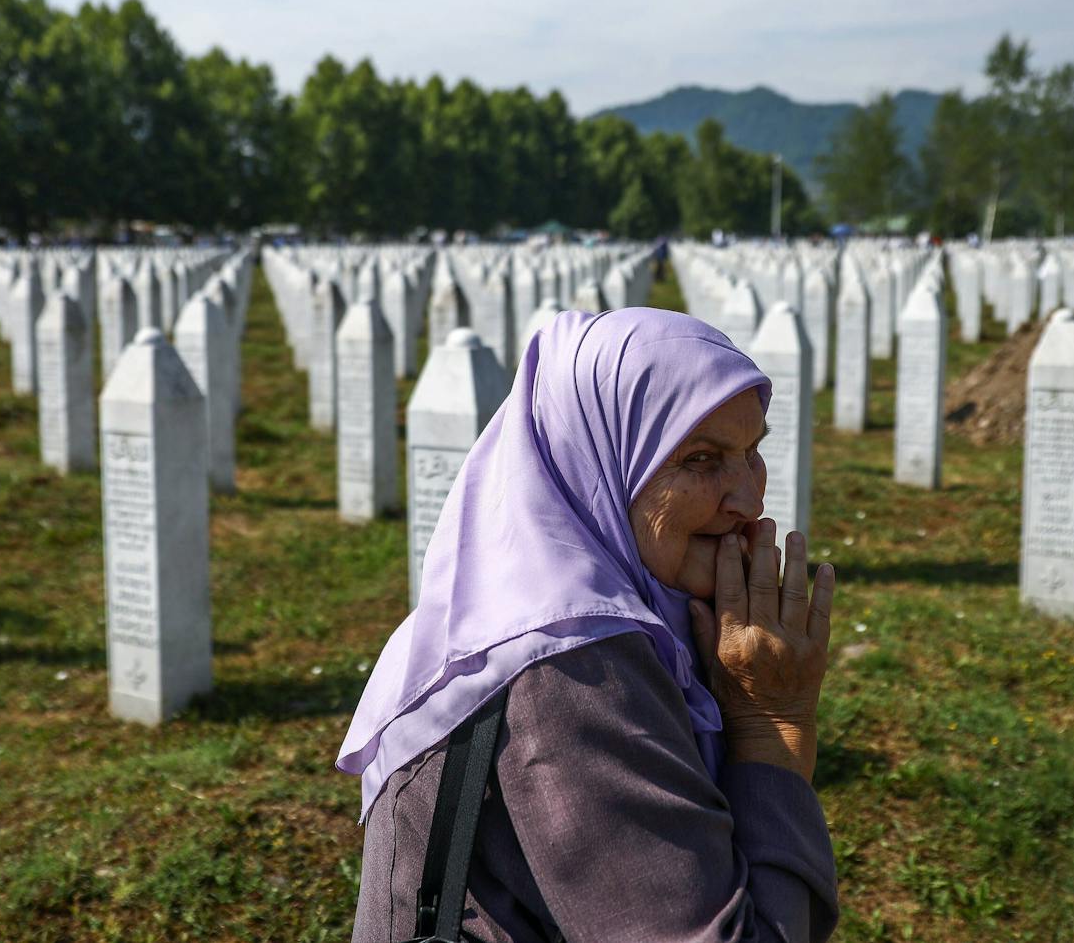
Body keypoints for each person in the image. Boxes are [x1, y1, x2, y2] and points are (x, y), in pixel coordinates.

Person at [341, 308, 839, 942]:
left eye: (753, 451)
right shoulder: (571, 670)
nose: (750, 498)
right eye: (702, 458)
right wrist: (774, 722)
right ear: (599, 459)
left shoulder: (614, 612)